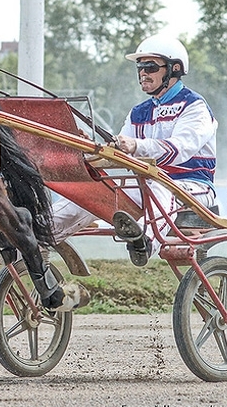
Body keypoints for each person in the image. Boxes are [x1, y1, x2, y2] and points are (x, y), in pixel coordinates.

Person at [51, 34, 218, 266]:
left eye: (150, 66)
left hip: (192, 187)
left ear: (174, 69)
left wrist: (135, 146)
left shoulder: (195, 107)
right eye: (140, 67)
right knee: (94, 189)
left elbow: (178, 150)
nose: (143, 73)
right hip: (147, 185)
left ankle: (144, 242)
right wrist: (90, 147)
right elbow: (120, 152)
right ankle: (38, 231)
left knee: (160, 184)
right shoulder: (138, 111)